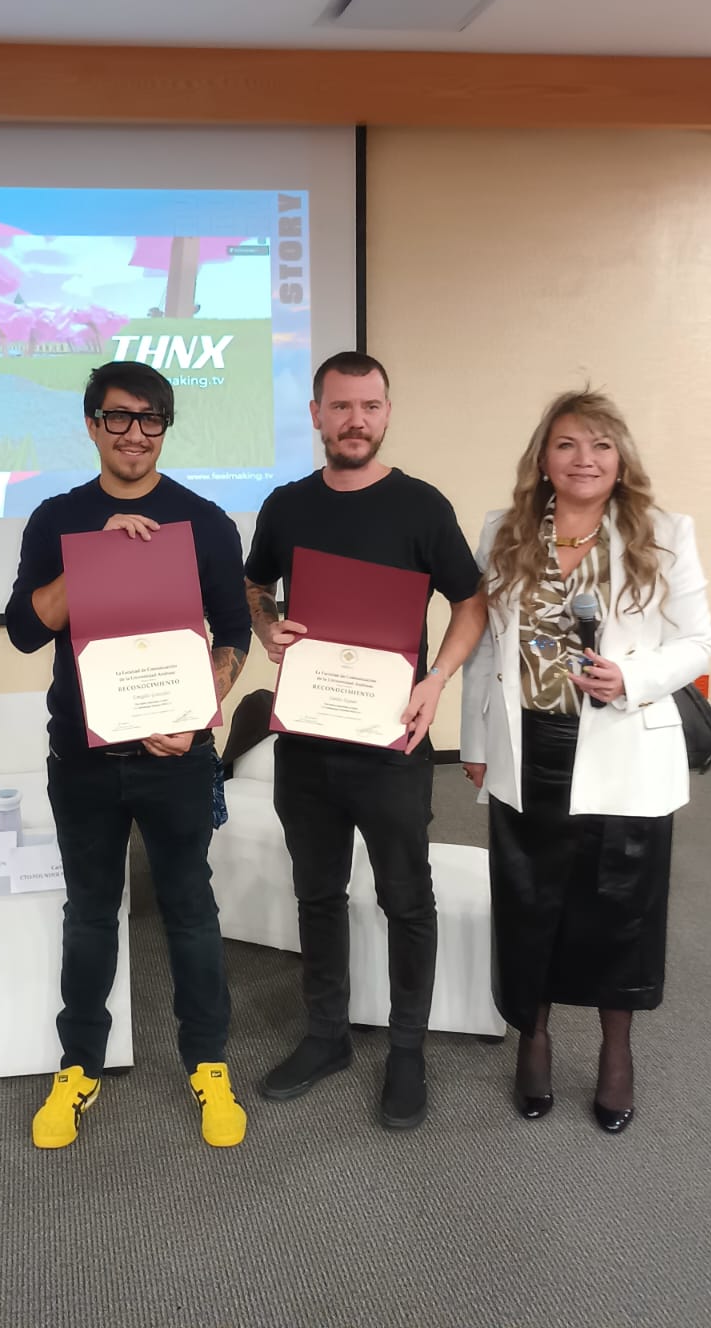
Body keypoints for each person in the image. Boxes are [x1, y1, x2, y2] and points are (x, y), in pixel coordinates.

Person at [6, 362, 251, 1150]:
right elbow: (25, 630)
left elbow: (233, 633)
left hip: (176, 755)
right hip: (82, 754)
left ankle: (208, 1063)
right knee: (89, 913)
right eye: (118, 418)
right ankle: (78, 1066)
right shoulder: (56, 519)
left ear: (165, 428)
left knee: (190, 909)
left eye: (151, 420)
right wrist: (90, 562)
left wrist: (200, 709)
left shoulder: (206, 522)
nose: (134, 434)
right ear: (92, 425)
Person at [460, 389, 711, 1133]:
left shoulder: (663, 533)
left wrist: (631, 677)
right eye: (568, 444)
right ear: (544, 457)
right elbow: (484, 649)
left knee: (620, 910)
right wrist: (474, 741)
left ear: (621, 459)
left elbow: (697, 642)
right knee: (529, 901)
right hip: (530, 747)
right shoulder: (504, 531)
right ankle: (533, 1037)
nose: (585, 460)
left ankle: (615, 1051)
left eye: (601, 446)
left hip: (624, 748)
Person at [244, 351, 486, 1130]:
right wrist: (265, 626)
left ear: (386, 412)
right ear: (316, 413)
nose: (356, 421)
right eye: (341, 406)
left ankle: (408, 1050)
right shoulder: (286, 506)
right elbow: (255, 584)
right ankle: (326, 1036)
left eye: (370, 406)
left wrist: (437, 678)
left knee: (405, 897)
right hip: (307, 743)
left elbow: (471, 603)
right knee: (317, 892)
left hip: (391, 744)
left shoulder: (421, 506)